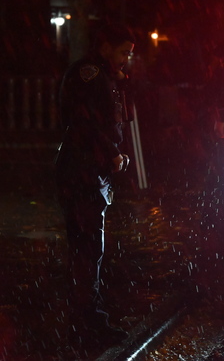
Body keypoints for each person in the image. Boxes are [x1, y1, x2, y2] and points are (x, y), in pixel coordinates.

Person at [55, 23, 135, 349]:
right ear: (105, 47)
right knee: (88, 252)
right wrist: (113, 154)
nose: (126, 60)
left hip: (89, 174)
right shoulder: (88, 75)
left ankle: (88, 323)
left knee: (90, 252)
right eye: (122, 53)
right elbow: (84, 123)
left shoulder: (101, 76)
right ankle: (85, 328)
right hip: (82, 175)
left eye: (129, 54)